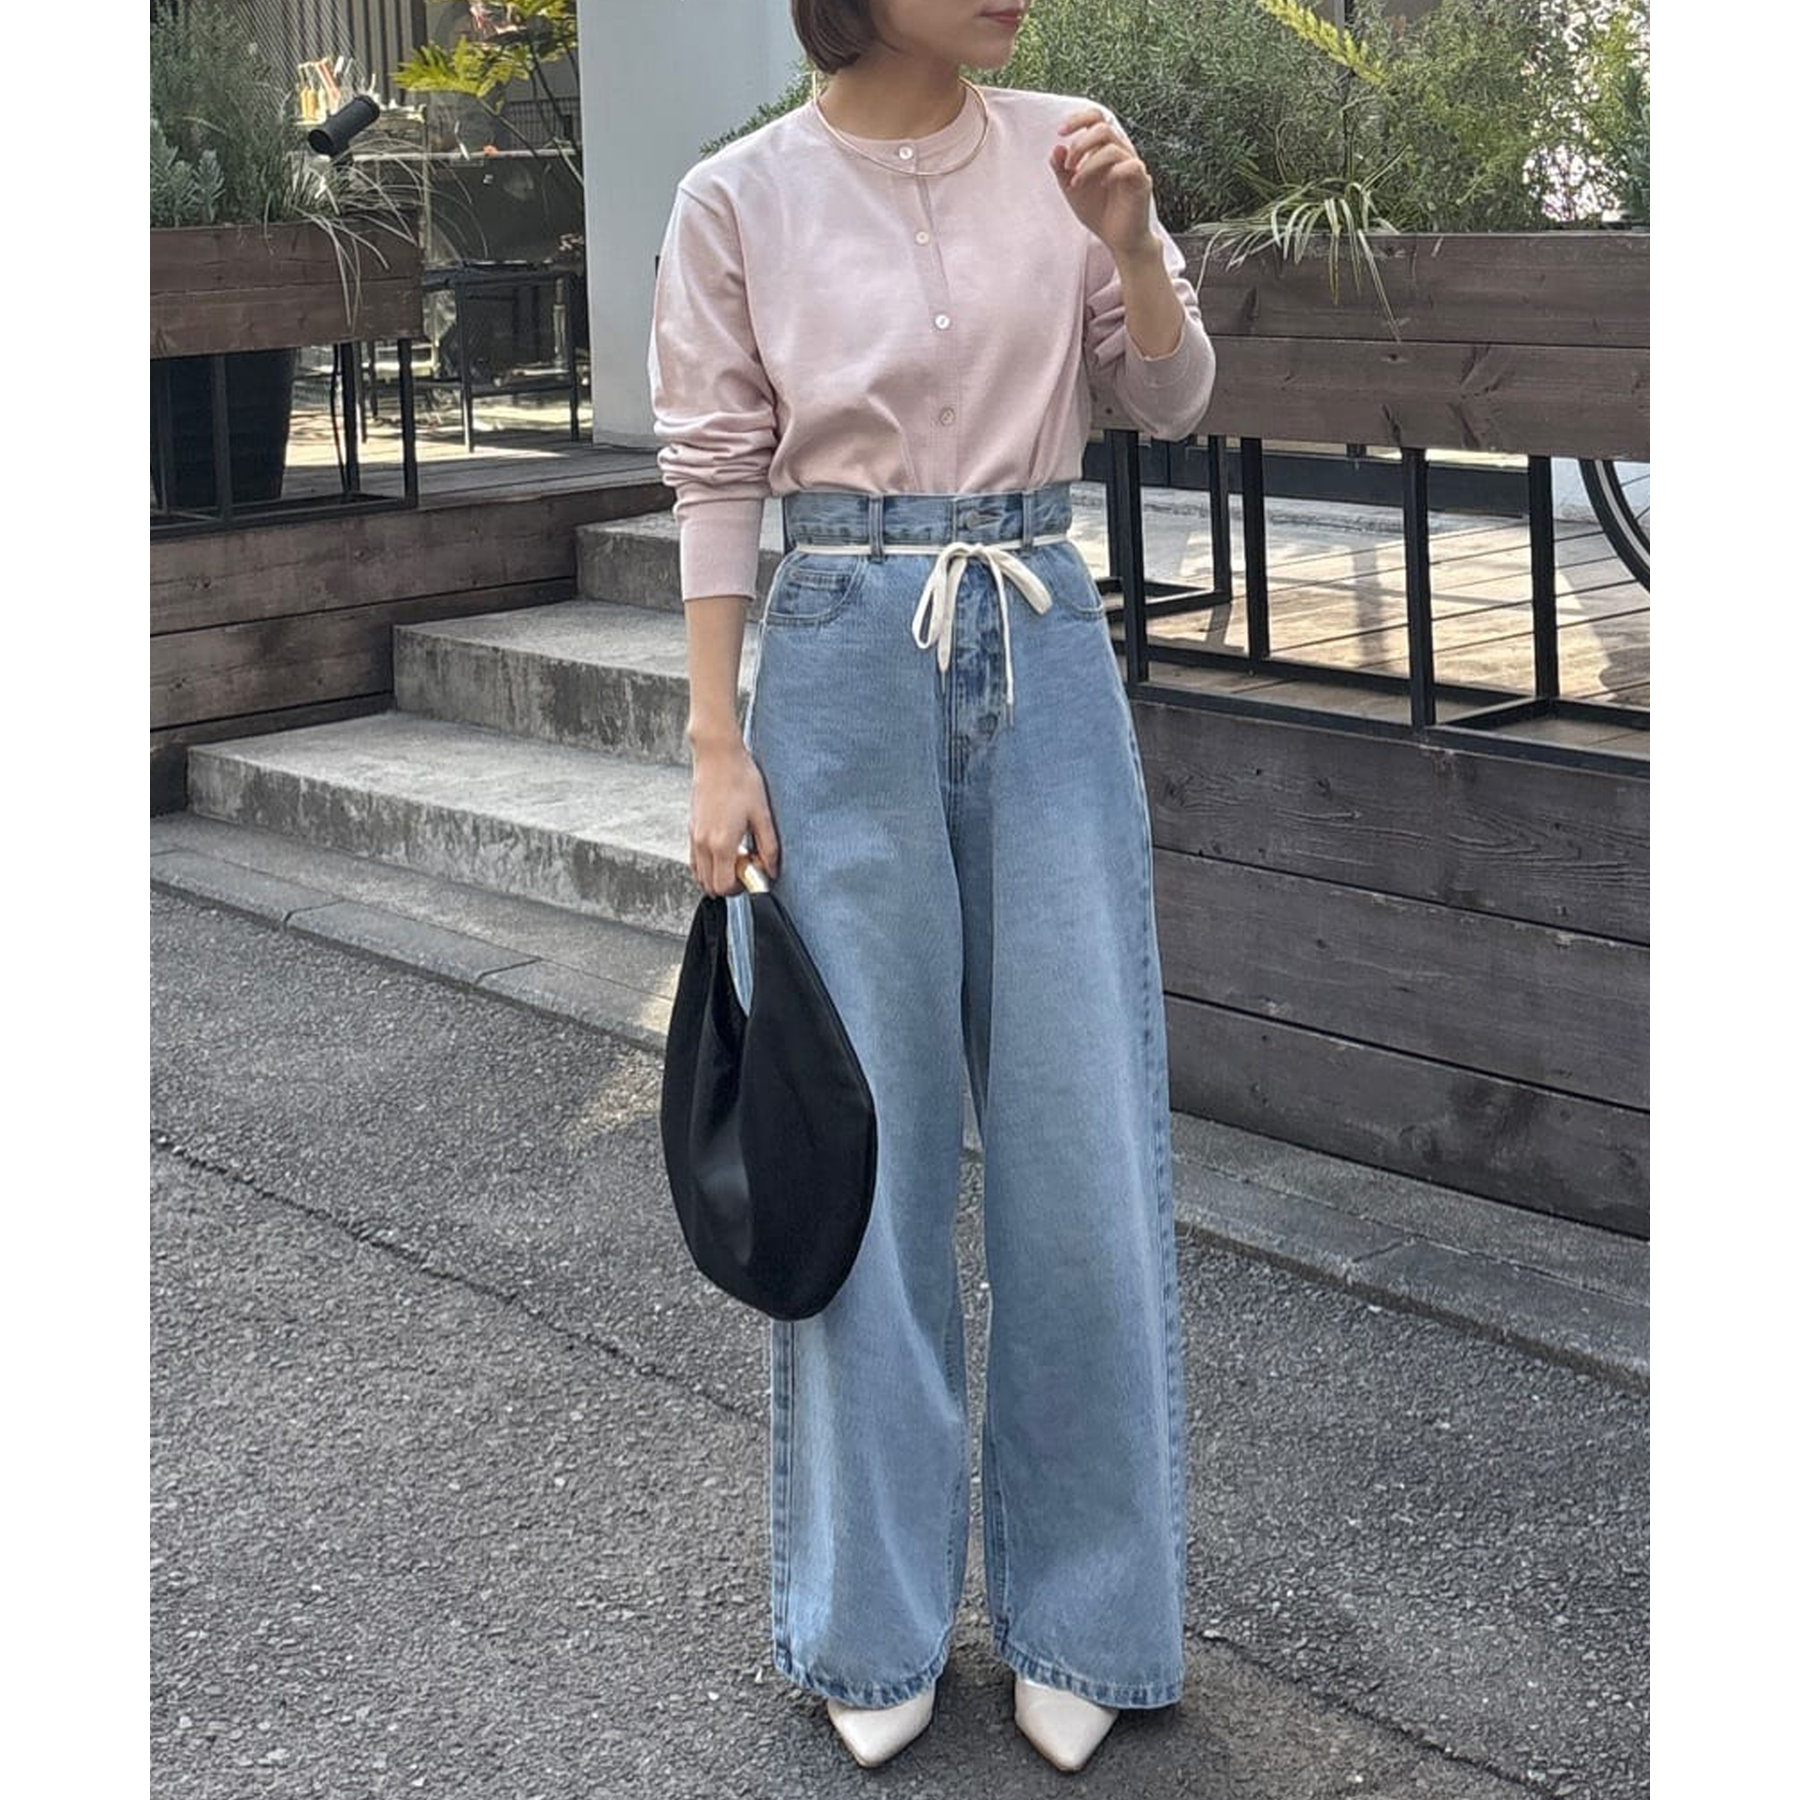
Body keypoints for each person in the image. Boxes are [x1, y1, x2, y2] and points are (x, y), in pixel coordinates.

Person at [647, 0, 1216, 1774]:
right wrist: (714, 744)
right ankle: (873, 1617)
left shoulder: (1069, 147)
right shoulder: (738, 197)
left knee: (1080, 1140)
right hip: (837, 654)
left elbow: (1173, 398)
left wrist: (1133, 243)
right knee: (862, 1144)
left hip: (1042, 633)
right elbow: (714, 473)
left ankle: (1090, 1615)